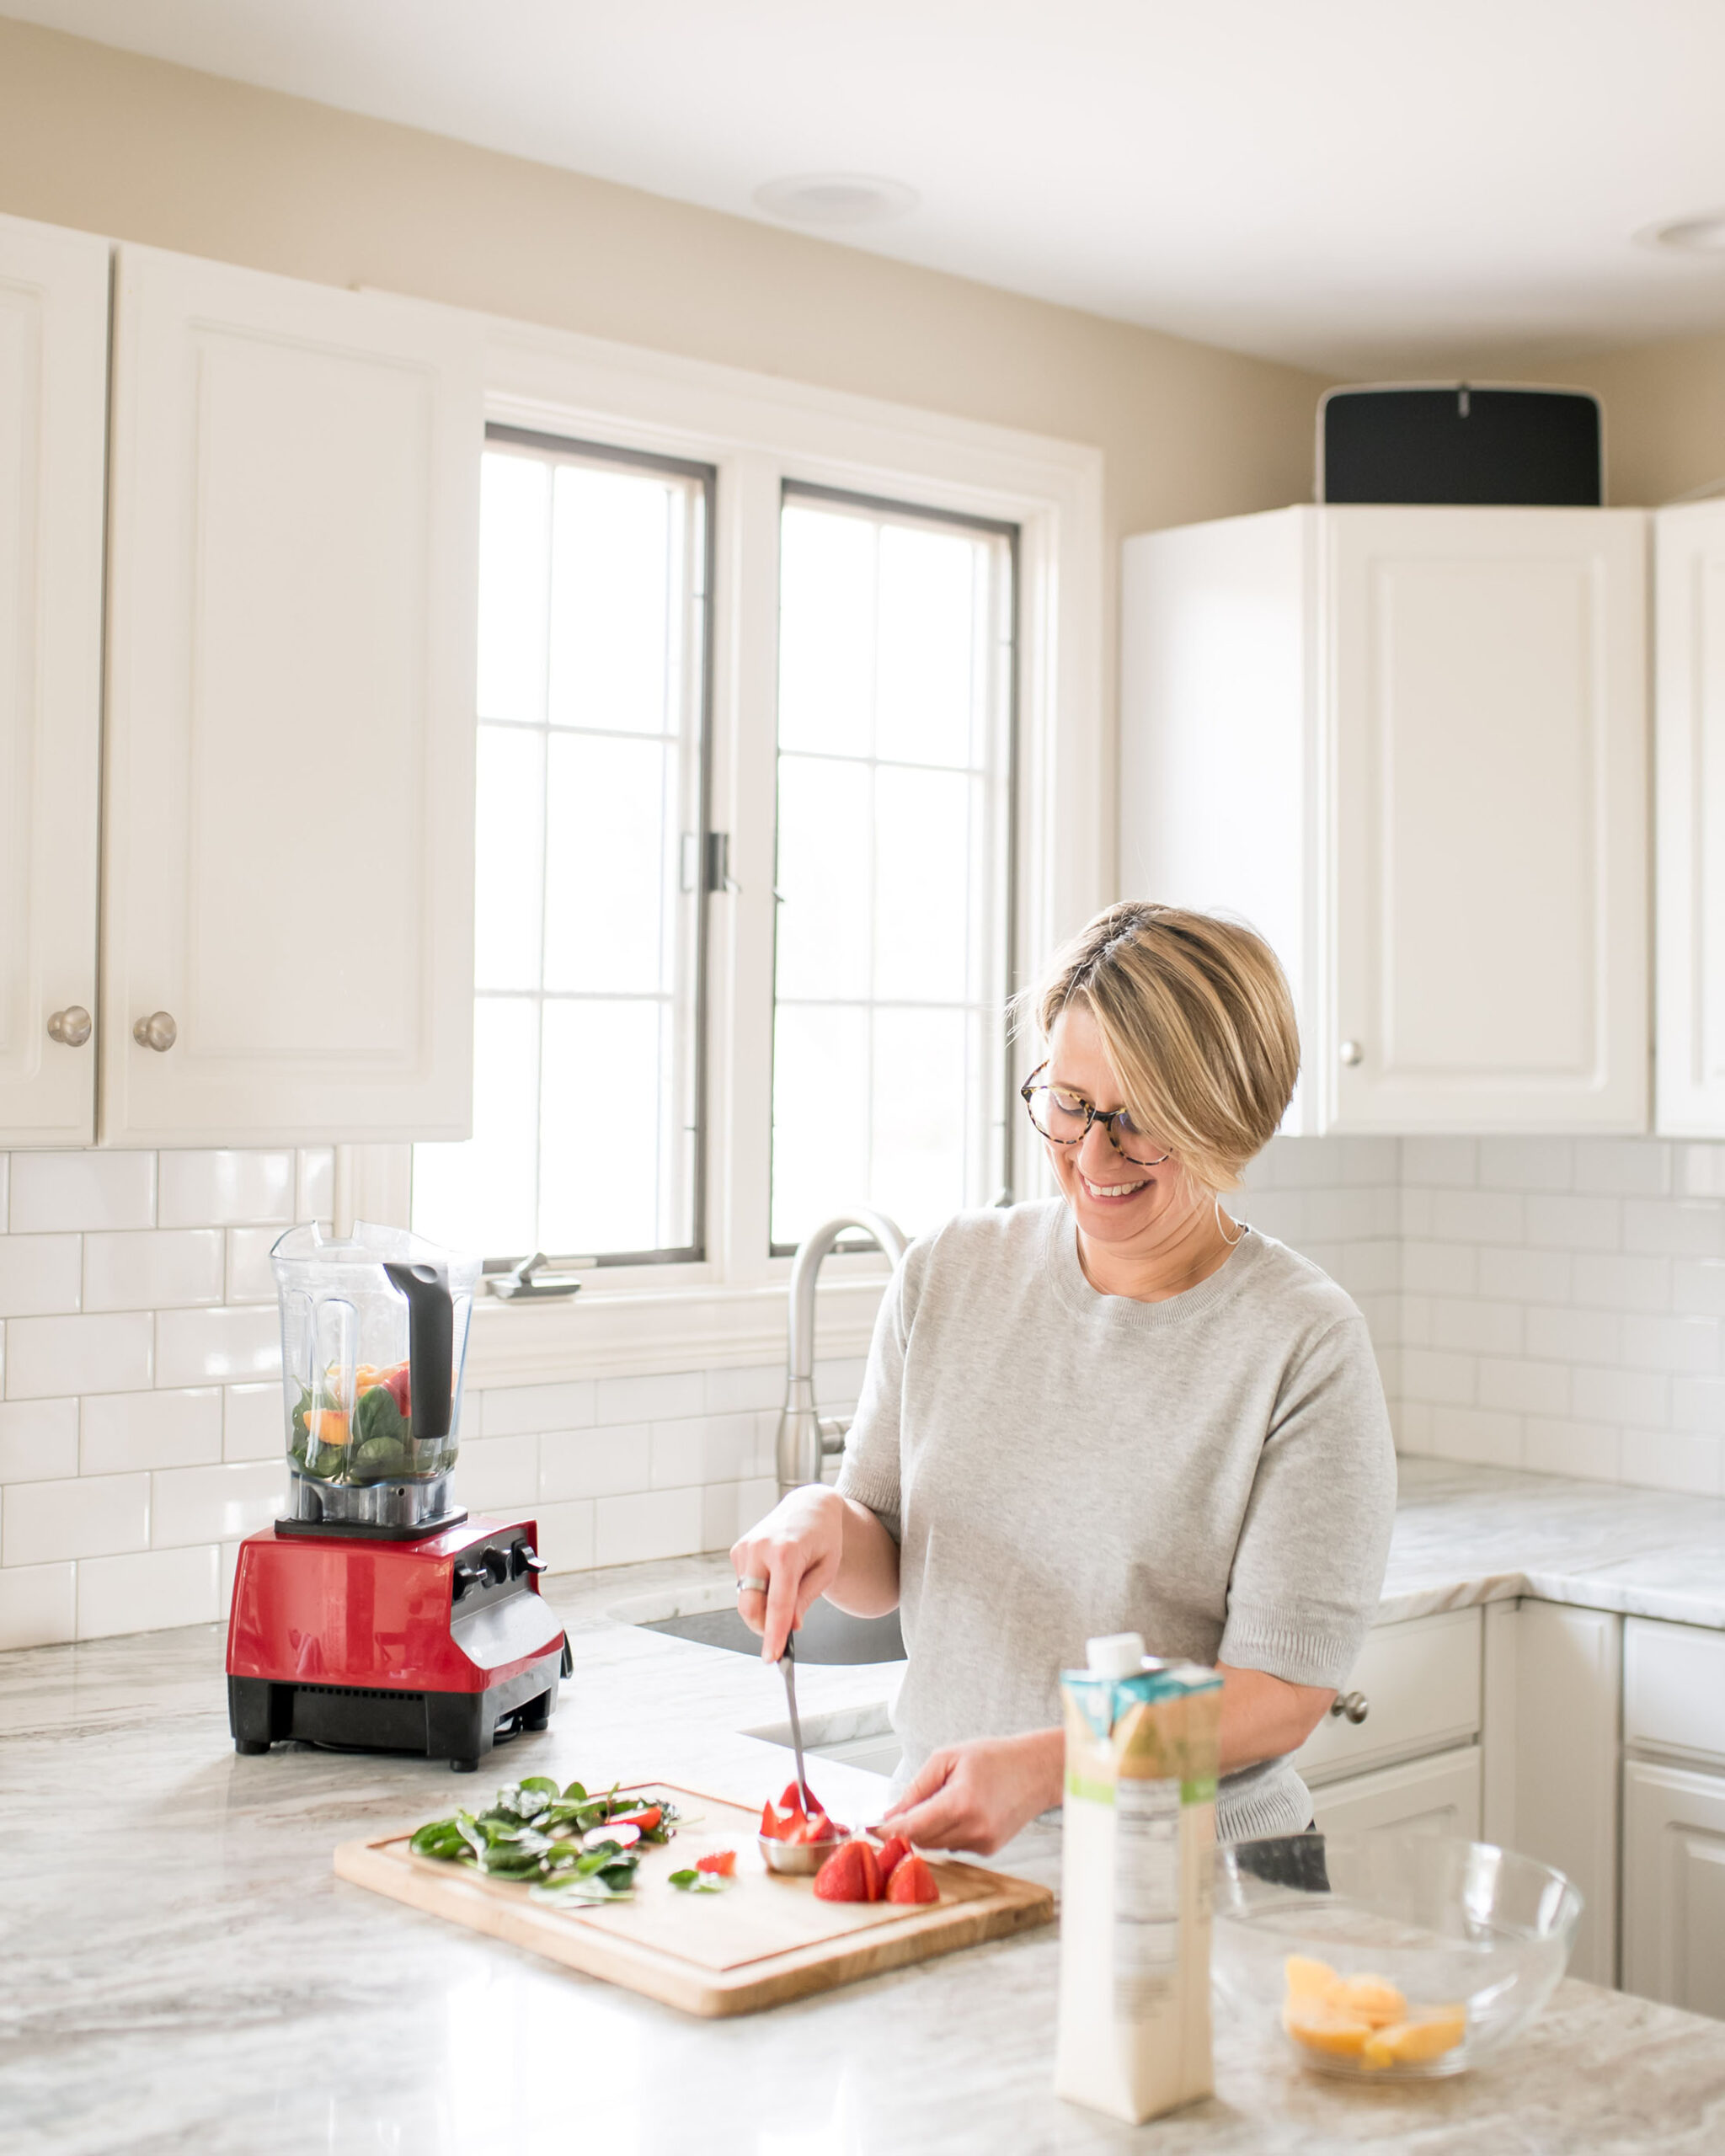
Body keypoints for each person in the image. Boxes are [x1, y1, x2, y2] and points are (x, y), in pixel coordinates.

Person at [731, 901, 1396, 1854]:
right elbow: (885, 1555)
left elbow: (1280, 1696)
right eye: (1069, 1103)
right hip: (952, 1859)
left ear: (1225, 1119)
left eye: (1138, 1123)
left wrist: (1052, 1763)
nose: (1090, 1156)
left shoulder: (1301, 1342)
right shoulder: (946, 1270)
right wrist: (819, 1523)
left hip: (1196, 1882)